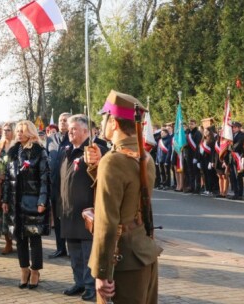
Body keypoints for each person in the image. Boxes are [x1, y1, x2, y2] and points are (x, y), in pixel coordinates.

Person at [88, 90, 160, 304]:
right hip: (143, 251)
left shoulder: (113, 161)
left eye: (105, 118)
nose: (102, 123)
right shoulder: (144, 156)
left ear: (114, 123)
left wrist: (102, 272)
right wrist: (97, 168)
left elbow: (106, 221)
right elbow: (132, 193)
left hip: (122, 260)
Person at [1, 120, 50, 290]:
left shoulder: (39, 152)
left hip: (33, 200)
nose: (19, 134)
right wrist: (5, 200)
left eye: (22, 131)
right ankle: (24, 270)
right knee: (19, 238)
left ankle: (35, 271)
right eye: (18, 131)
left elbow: (45, 178)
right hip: (15, 201)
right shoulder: (13, 151)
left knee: (34, 237)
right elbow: (8, 178)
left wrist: (42, 201)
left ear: (30, 132)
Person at [59, 115, 102, 301]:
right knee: (74, 253)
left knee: (88, 254)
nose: (70, 131)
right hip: (69, 212)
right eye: (69, 128)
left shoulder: (94, 151)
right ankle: (79, 282)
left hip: (87, 212)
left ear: (86, 131)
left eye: (74, 128)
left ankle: (91, 287)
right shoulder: (67, 150)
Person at [45, 112, 71, 259]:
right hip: (54, 185)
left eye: (65, 120)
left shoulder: (73, 138)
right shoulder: (51, 139)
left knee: (68, 217)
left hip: (68, 186)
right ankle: (60, 248)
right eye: (61, 120)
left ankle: (72, 247)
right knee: (57, 217)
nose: (62, 122)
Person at [0, 122, 15, 254]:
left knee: (13, 214)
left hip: (13, 185)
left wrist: (8, 175)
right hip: (0, 185)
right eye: (4, 130)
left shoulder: (17, 145)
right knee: (2, 214)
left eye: (9, 130)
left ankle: (19, 240)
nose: (6, 132)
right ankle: (8, 243)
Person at [229, 122, 244, 200]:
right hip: (232, 158)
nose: (233, 129)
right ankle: (235, 193)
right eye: (233, 127)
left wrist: (229, 147)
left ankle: (239, 194)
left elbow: (235, 147)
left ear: (239, 128)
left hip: (238, 158)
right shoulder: (232, 136)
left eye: (235, 127)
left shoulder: (241, 136)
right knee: (233, 177)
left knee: (238, 176)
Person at [184, 119, 202, 193]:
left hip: (195, 155)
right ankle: (191, 187)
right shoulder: (188, 133)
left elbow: (198, 146)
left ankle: (197, 188)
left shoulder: (197, 133)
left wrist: (196, 157)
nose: (190, 125)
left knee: (196, 172)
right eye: (189, 124)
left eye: (192, 124)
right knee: (190, 171)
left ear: (195, 124)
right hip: (188, 154)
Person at [214, 128, 230, 198]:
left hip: (224, 160)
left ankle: (225, 192)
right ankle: (221, 192)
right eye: (219, 131)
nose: (220, 132)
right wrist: (212, 161)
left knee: (225, 176)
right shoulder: (217, 140)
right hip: (217, 160)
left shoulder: (227, 141)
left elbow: (227, 152)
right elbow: (213, 151)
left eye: (222, 131)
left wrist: (225, 161)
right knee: (220, 176)